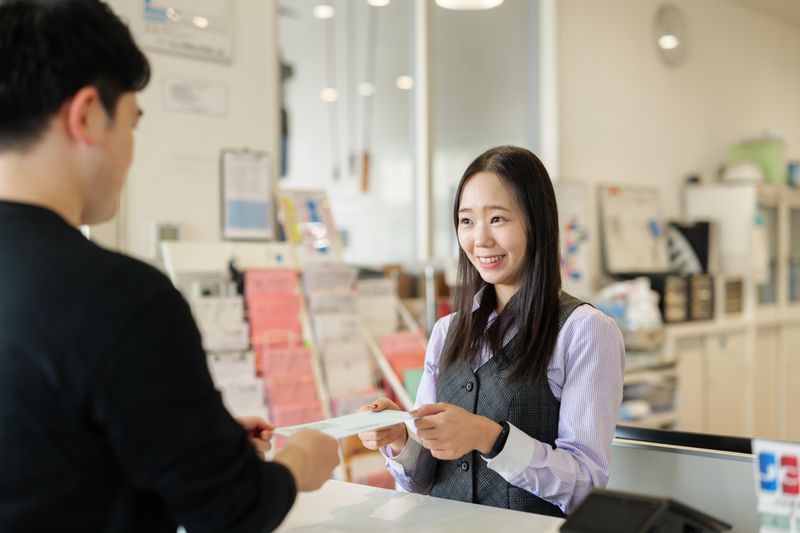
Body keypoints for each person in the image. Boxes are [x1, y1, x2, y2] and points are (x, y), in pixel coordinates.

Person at [0, 1, 339, 531]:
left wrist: (199, 440)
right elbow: (231, 510)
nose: (130, 150)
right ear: (87, 115)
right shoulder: (121, 297)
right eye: (132, 124)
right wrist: (301, 462)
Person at [358, 145, 625, 517]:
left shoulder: (585, 331)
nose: (480, 239)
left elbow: (586, 488)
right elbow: (423, 480)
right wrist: (399, 439)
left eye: (497, 218)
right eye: (467, 221)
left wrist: (490, 438)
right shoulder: (446, 331)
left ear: (537, 223)